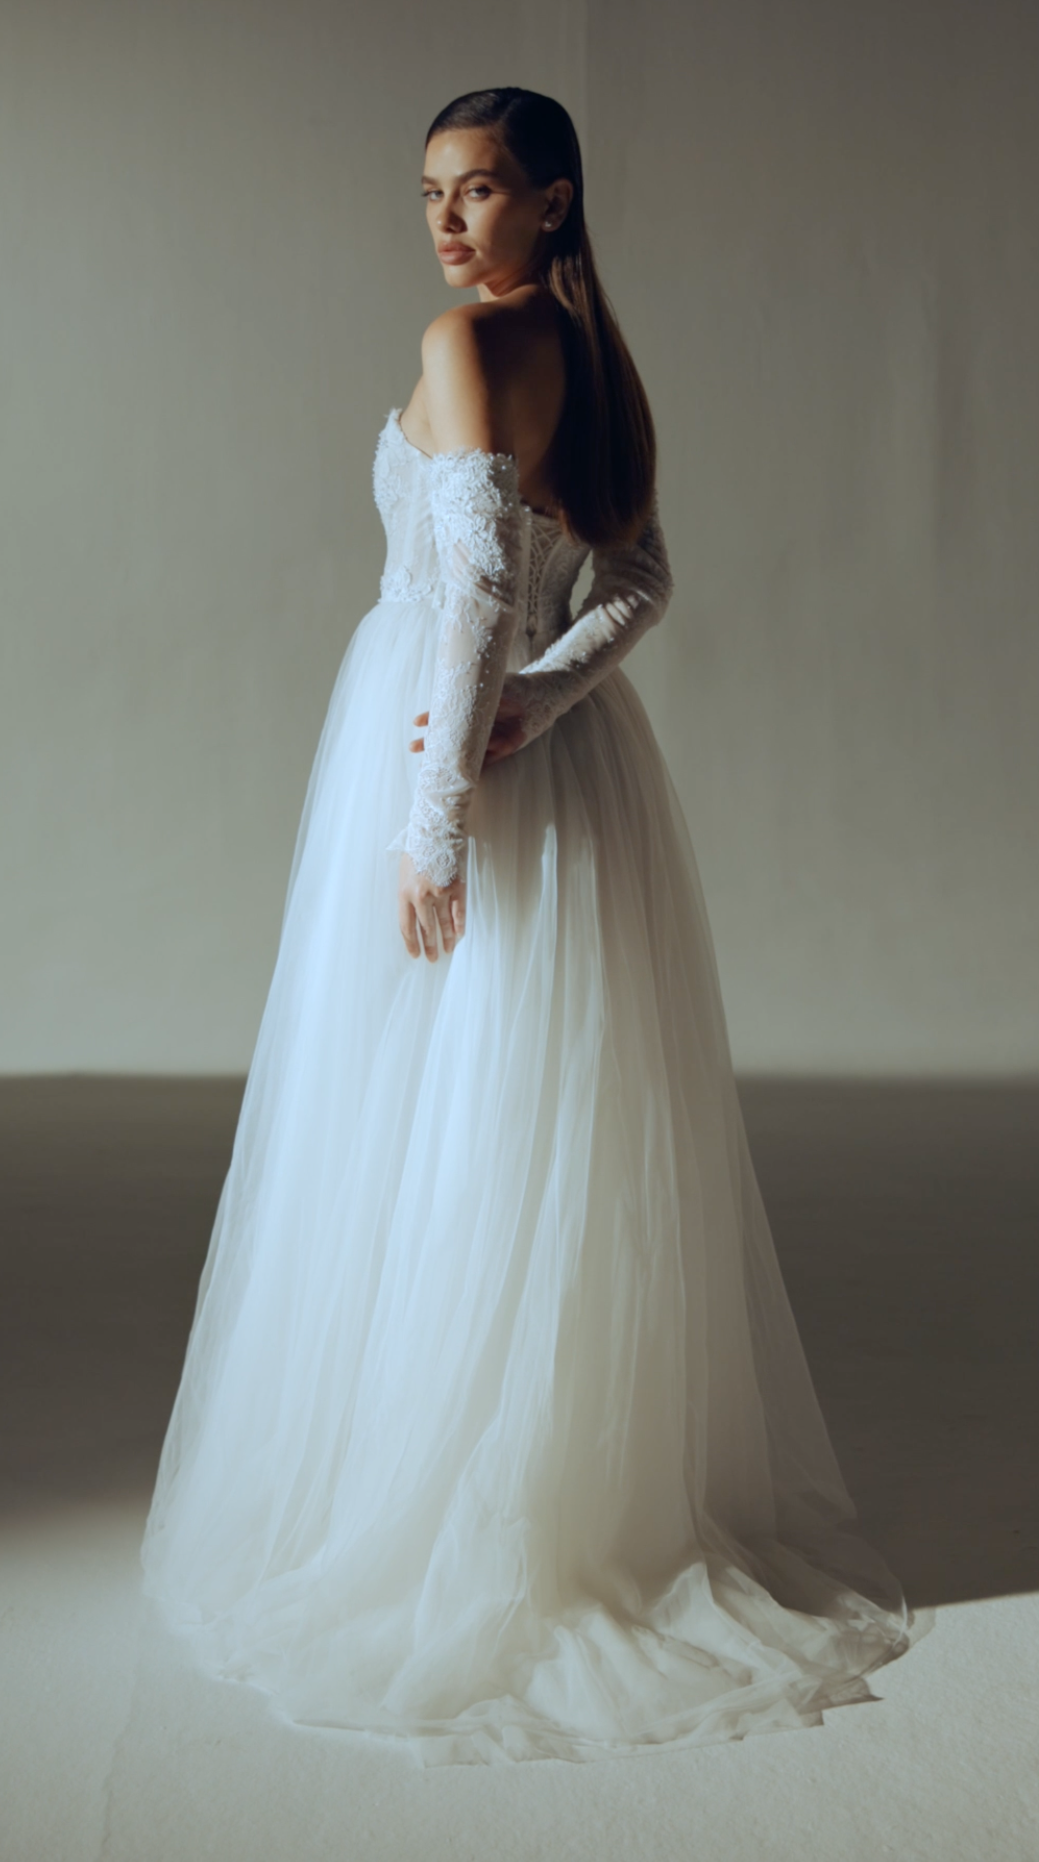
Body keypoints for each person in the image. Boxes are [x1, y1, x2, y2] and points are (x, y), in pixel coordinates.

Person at [141, 87, 915, 1767]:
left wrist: (436, 813)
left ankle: (460, 1509)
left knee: (435, 1105)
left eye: (479, 189)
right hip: (560, 765)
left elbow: (484, 588)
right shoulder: (590, 357)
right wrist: (546, 709)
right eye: (430, 190)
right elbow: (635, 579)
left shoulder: (466, 342)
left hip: (445, 751)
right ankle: (564, 1485)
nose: (444, 220)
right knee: (524, 1110)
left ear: (551, 201)